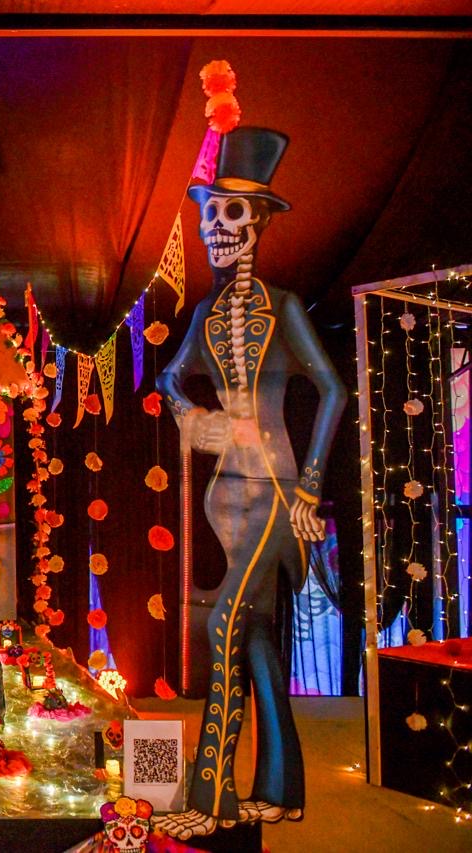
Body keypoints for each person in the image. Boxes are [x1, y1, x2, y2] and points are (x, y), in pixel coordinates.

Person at [153, 128, 346, 840]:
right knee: (258, 637)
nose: (216, 227)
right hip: (225, 494)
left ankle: (212, 796)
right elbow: (169, 376)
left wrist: (310, 488)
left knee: (223, 623)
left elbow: (335, 390)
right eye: (209, 213)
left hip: (274, 488)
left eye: (230, 213)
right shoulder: (206, 315)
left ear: (258, 222)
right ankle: (281, 787)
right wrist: (190, 414)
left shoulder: (284, 305)